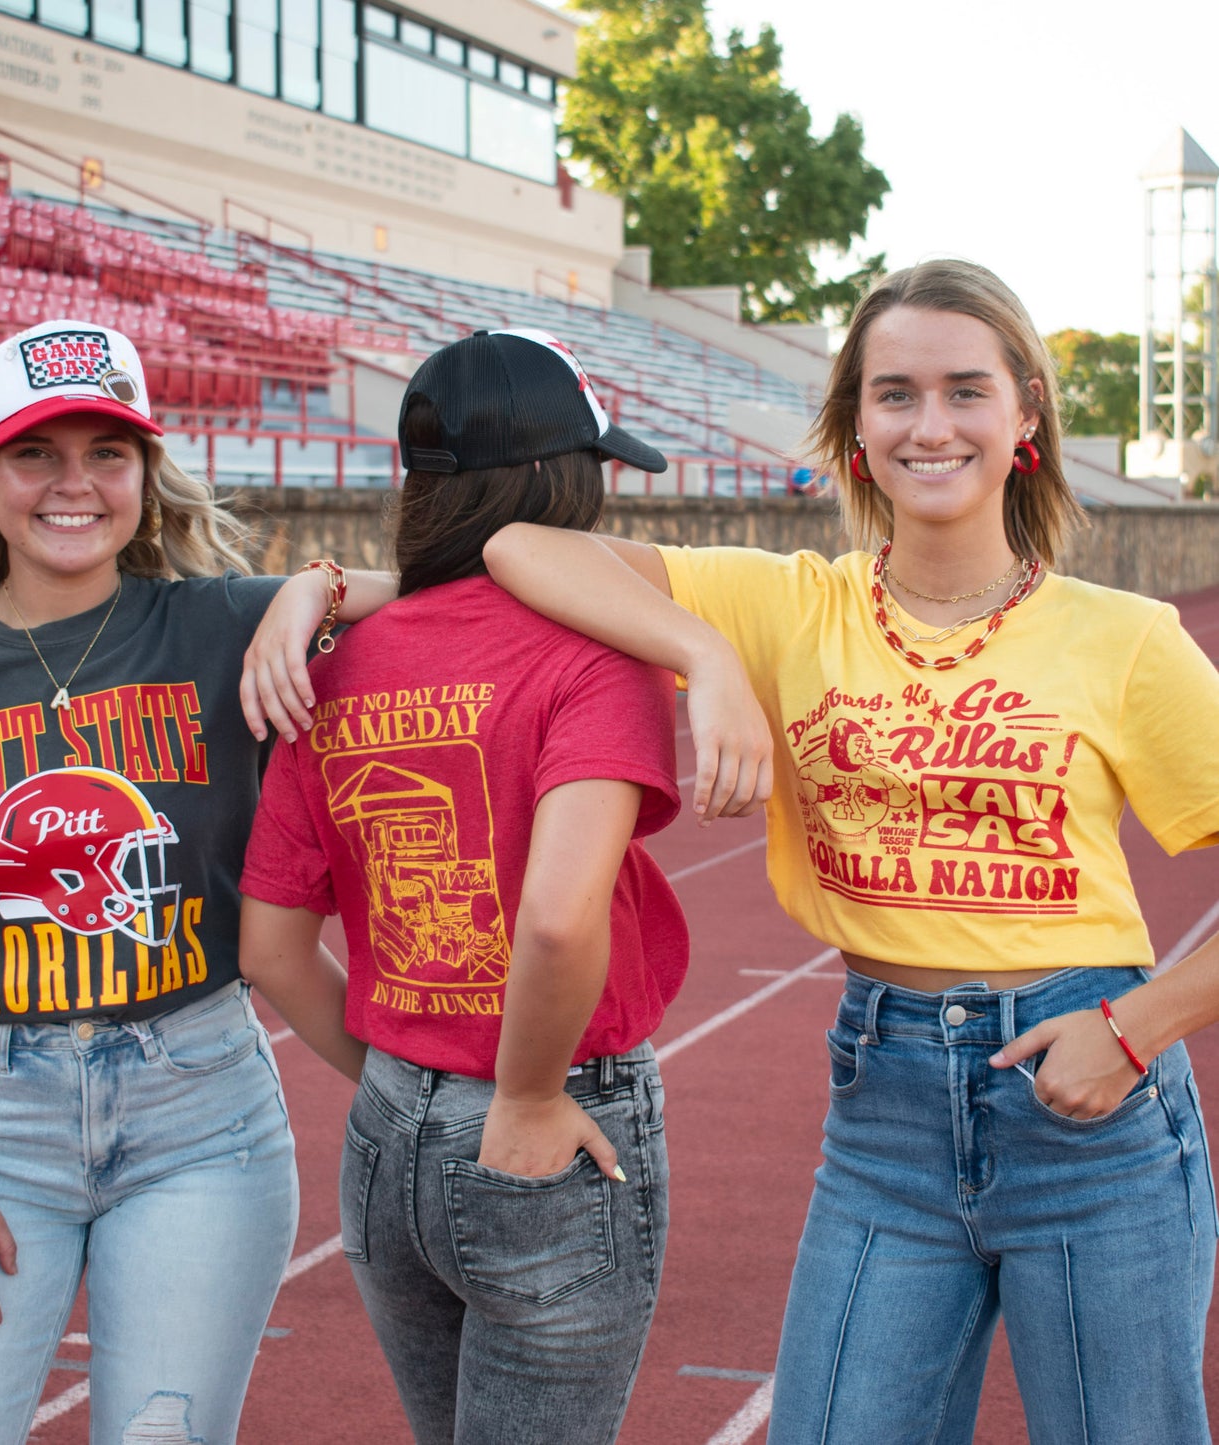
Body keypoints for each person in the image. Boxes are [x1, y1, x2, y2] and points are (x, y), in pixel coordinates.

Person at [251, 263, 1219, 1442]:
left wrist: (1135, 1028)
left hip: (1085, 1096)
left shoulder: (1121, 638)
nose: (928, 424)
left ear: (1023, 416)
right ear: (853, 431)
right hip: (887, 1101)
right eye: (893, 394)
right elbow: (518, 553)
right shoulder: (781, 606)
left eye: (964, 391)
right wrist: (703, 660)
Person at [0, 317, 309, 1445]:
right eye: (36, 452)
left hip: (201, 1116)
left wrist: (311, 590)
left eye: (108, 450)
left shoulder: (220, 623)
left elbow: (433, 591)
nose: (73, 483)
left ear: (148, 473)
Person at [237, 327, 690, 1444]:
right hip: (551, 1105)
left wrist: (402, 1084)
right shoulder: (595, 656)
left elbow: (270, 951)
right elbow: (555, 913)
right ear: (554, 482)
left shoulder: (337, 660)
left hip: (388, 1129)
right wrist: (526, 1094)